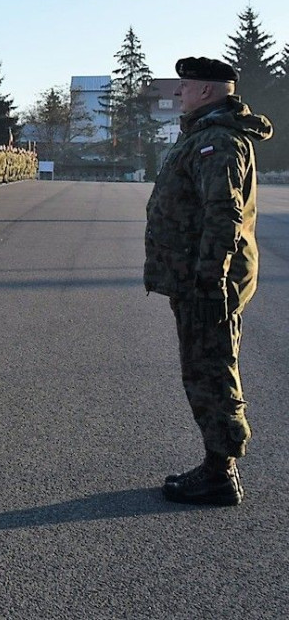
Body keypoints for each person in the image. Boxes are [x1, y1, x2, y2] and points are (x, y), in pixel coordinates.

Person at [146, 57, 273, 507]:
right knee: (205, 368)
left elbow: (223, 214)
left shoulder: (217, 141)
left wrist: (210, 280)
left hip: (206, 282)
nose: (179, 93)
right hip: (198, 277)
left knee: (211, 371)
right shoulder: (208, 135)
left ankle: (221, 473)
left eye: (185, 86)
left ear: (206, 91)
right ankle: (217, 463)